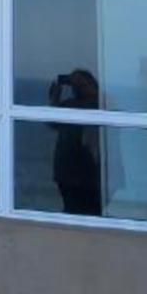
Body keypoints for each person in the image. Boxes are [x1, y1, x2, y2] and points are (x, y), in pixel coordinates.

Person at [48, 68, 103, 216]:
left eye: (81, 83)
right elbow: (52, 123)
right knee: (73, 207)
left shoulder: (101, 104)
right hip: (68, 169)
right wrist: (55, 98)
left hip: (88, 169)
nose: (77, 86)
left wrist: (55, 99)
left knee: (91, 208)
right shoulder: (69, 104)